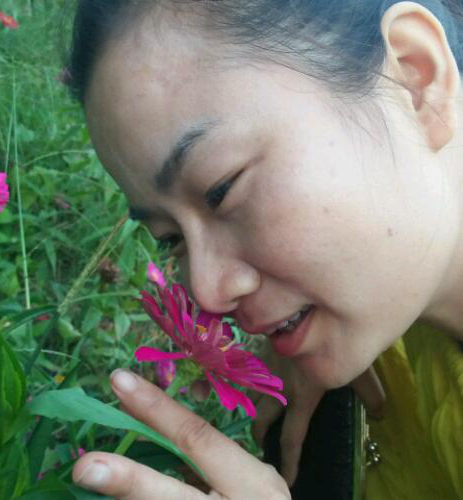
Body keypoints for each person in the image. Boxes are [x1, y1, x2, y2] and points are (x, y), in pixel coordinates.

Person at [66, 0, 463, 498]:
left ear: (413, 79)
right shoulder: (391, 313)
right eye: (171, 239)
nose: (207, 293)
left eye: (221, 189)